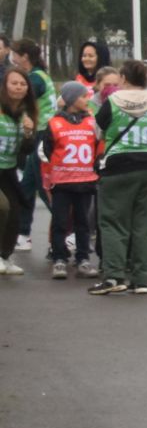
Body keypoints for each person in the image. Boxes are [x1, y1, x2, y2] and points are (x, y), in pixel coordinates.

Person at [89, 59, 147, 295]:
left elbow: (98, 130)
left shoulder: (113, 101)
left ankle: (114, 276)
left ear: (123, 78)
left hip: (118, 166)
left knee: (113, 222)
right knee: (145, 224)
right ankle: (141, 279)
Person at [43, 83, 100, 280]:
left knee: (83, 222)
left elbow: (98, 147)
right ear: (71, 99)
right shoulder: (54, 123)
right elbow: (48, 149)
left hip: (85, 180)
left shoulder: (92, 121)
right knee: (60, 221)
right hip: (62, 181)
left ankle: (83, 258)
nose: (87, 100)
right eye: (83, 97)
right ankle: (59, 258)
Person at [11, 41, 54, 252]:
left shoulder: (35, 79)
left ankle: (68, 229)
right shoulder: (39, 75)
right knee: (26, 188)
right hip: (39, 134)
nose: (13, 59)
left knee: (42, 187)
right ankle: (23, 233)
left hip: (42, 136)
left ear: (24, 56)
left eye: (15, 55)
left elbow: (19, 101)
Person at [0, 67, 37, 275]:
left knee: (15, 212)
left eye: (23, 84)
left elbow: (27, 150)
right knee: (2, 207)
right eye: (14, 83)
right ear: (5, 86)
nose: (19, 87)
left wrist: (29, 132)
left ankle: (5, 256)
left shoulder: (25, 113)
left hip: (8, 170)